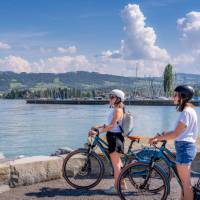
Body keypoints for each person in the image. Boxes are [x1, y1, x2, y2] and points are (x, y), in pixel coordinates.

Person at [149, 85, 198, 200]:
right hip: (186, 147)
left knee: (186, 184)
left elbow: (176, 134)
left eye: (175, 95)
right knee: (183, 183)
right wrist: (163, 135)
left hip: (184, 148)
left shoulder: (186, 112)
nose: (173, 97)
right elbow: (179, 131)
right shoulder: (189, 110)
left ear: (183, 96)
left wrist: (158, 139)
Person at [88, 89, 126, 194]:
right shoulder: (115, 109)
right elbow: (109, 124)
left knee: (116, 165)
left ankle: (116, 188)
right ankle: (122, 184)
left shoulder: (118, 110)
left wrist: (98, 132)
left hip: (115, 138)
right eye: (110, 96)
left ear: (118, 99)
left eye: (112, 97)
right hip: (112, 137)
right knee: (118, 163)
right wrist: (98, 126)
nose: (109, 98)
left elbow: (112, 126)